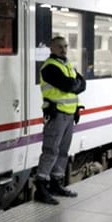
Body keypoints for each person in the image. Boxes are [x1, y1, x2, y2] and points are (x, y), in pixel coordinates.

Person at [34, 36, 86, 205]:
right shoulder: (49, 67)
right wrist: (74, 84)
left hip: (69, 115)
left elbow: (82, 84)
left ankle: (56, 183)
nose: (63, 50)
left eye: (65, 46)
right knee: (51, 150)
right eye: (59, 47)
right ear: (52, 48)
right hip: (56, 115)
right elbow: (69, 86)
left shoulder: (67, 65)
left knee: (63, 151)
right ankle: (41, 188)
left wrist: (74, 84)